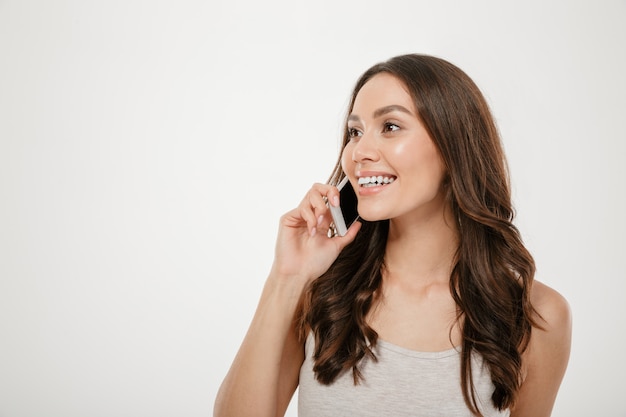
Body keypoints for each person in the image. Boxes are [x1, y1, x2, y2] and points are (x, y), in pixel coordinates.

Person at [213, 54, 572, 417]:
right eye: (355, 132)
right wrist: (284, 279)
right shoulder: (319, 291)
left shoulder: (535, 316)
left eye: (390, 126)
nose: (359, 153)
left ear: (453, 147)